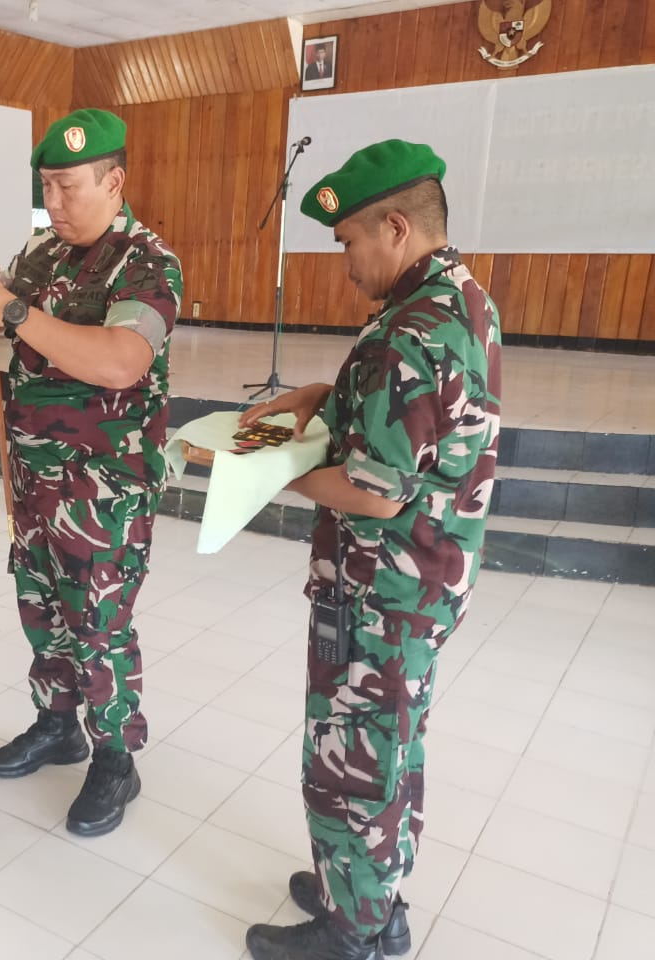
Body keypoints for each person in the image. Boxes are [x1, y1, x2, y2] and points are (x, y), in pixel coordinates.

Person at [238, 140, 501, 960]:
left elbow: (375, 490)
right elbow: (414, 419)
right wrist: (325, 395)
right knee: (392, 746)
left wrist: (267, 471)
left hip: (380, 590)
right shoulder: (459, 298)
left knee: (349, 760)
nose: (346, 261)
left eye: (349, 240)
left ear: (395, 227)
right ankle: (371, 894)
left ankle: (352, 933)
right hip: (427, 579)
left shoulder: (408, 332)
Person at [0, 108, 183, 837]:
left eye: (68, 187)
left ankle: (116, 756)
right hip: (34, 481)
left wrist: (13, 311)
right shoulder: (42, 252)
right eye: (46, 188)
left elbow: (120, 361)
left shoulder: (147, 262)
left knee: (100, 623)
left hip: (104, 490)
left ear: (114, 182)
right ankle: (58, 724)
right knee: (42, 609)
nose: (53, 203)